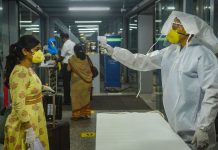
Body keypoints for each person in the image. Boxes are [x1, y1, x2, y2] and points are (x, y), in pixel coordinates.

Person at [101, 11, 218, 150]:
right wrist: (114, 52)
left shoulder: (202, 54)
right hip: (174, 124)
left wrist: (203, 127)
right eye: (171, 26)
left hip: (196, 130)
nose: (170, 30)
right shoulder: (170, 51)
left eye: (176, 26)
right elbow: (142, 61)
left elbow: (212, 92)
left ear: (189, 29)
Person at [4, 35, 54, 150]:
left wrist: (42, 87)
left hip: (36, 117)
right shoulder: (19, 72)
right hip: (26, 122)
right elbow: (18, 104)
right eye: (37, 49)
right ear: (25, 51)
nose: (40, 52)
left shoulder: (28, 68)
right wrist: (28, 129)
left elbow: (28, 87)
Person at [67, 44, 92, 120]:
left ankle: (76, 115)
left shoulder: (72, 59)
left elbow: (68, 69)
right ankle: (85, 115)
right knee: (85, 98)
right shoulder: (87, 57)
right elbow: (91, 67)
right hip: (87, 82)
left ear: (74, 51)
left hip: (76, 82)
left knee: (76, 98)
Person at [59, 33, 75, 105]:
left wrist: (56, 60)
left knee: (66, 83)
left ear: (63, 38)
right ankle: (73, 99)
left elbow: (62, 57)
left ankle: (67, 100)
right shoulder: (73, 43)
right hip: (73, 65)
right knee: (72, 83)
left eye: (61, 38)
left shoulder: (65, 44)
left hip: (66, 65)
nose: (61, 40)